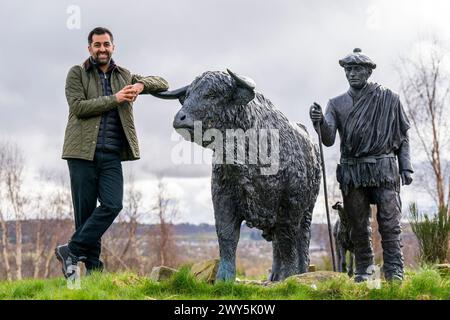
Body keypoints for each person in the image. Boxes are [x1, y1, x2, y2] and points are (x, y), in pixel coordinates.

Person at [55, 27, 169, 278]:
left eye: (106, 44)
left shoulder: (124, 75)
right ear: (90, 49)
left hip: (111, 154)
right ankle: (91, 272)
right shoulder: (77, 73)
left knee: (112, 204)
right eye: (97, 45)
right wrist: (116, 98)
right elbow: (78, 108)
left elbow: (162, 83)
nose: (102, 49)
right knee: (84, 215)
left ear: (113, 47)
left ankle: (71, 250)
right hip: (81, 154)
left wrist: (140, 85)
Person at [310, 48, 413, 282]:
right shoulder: (335, 104)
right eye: (348, 70)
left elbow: (403, 135)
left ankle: (394, 270)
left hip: (384, 168)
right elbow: (328, 139)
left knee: (389, 222)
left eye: (357, 69)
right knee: (357, 225)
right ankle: (364, 270)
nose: (352, 74)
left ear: (368, 71)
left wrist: (405, 166)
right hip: (353, 171)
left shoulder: (389, 99)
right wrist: (319, 122)